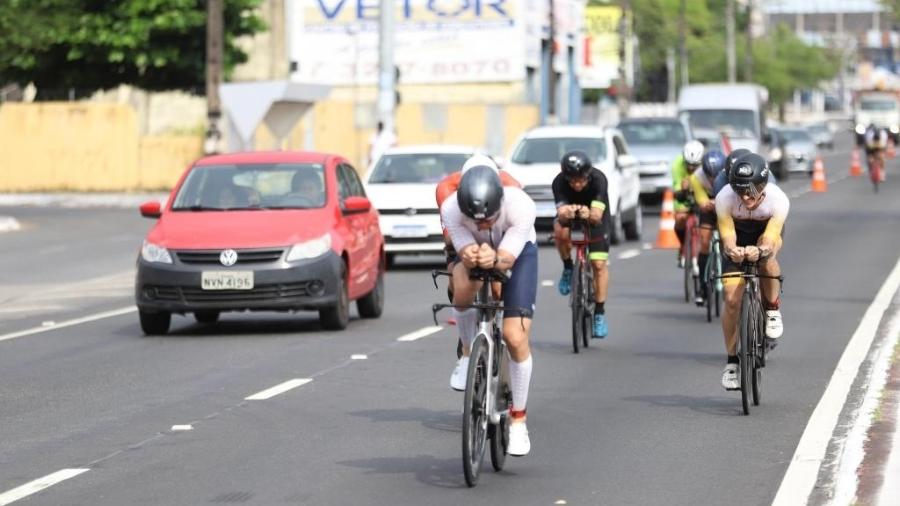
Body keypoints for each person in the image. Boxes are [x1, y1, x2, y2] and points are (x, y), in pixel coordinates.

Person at [441, 165, 538, 456]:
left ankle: (519, 420)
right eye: (475, 221)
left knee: (514, 336)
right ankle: (468, 352)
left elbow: (507, 259)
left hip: (517, 254)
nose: (482, 225)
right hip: (478, 253)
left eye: (489, 220)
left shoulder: (521, 205)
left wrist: (495, 257)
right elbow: (460, 246)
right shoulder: (450, 208)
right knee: (461, 286)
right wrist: (469, 253)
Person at [716, 153, 789, 390]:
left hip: (764, 233)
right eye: (740, 190)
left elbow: (770, 237)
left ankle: (772, 309)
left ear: (763, 185)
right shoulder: (725, 197)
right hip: (738, 235)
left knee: (767, 258)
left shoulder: (778, 200)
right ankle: (732, 362)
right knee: (731, 299)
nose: (745, 196)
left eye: (750, 190)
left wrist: (761, 249)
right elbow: (727, 237)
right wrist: (732, 250)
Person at [553, 151, 611, 338]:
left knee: (598, 265)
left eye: (581, 180)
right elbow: (561, 213)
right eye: (572, 181)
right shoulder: (559, 182)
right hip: (571, 214)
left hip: (596, 216)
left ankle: (599, 313)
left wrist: (588, 213)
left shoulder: (599, 179)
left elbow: (596, 216)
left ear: (588, 175)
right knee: (560, 232)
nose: (577, 184)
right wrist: (567, 212)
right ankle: (568, 267)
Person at [689, 149, 726, 306]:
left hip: (724, 207)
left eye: (715, 175)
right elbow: (701, 201)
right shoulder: (696, 177)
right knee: (704, 241)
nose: (712, 179)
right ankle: (703, 287)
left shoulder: (728, 176)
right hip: (708, 209)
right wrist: (706, 203)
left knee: (727, 241)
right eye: (709, 176)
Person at [672, 140, 705, 265]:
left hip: (701, 191)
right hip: (683, 193)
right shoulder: (676, 165)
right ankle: (682, 246)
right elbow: (677, 192)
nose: (691, 168)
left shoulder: (705, 166)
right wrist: (684, 190)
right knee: (680, 218)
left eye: (695, 165)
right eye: (688, 165)